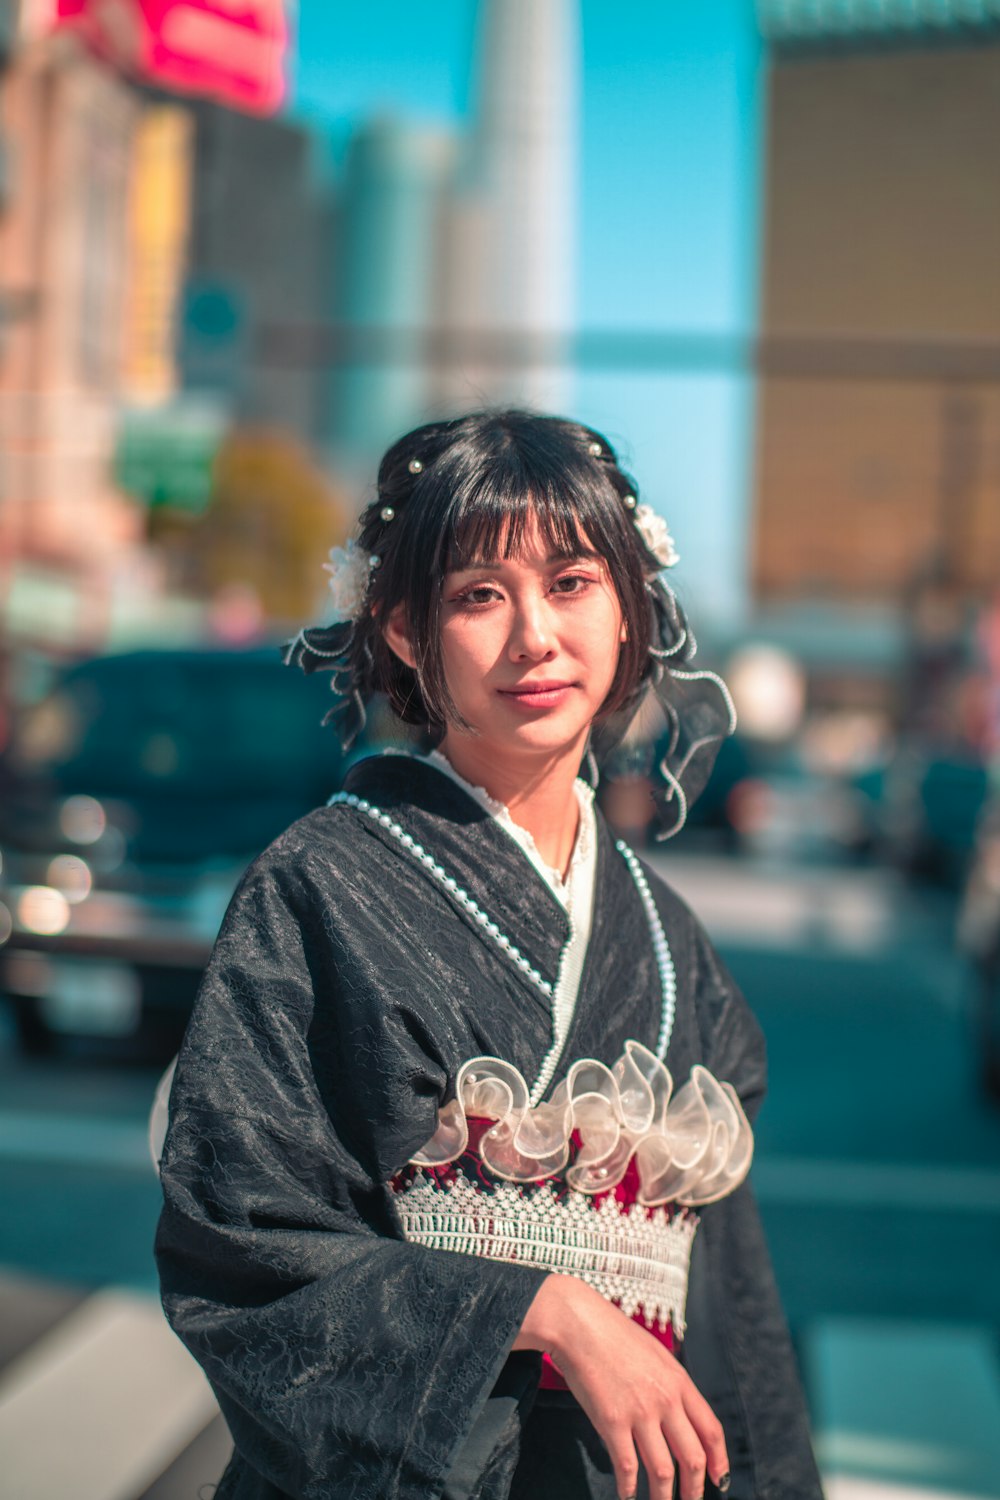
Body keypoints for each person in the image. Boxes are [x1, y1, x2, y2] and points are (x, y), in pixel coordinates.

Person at [154, 410, 822, 1500]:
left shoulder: (668, 939)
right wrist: (536, 1306)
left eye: (570, 583)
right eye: (478, 595)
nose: (533, 636)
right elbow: (241, 1235)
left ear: (629, 609)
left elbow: (734, 1308)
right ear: (408, 633)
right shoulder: (318, 882)